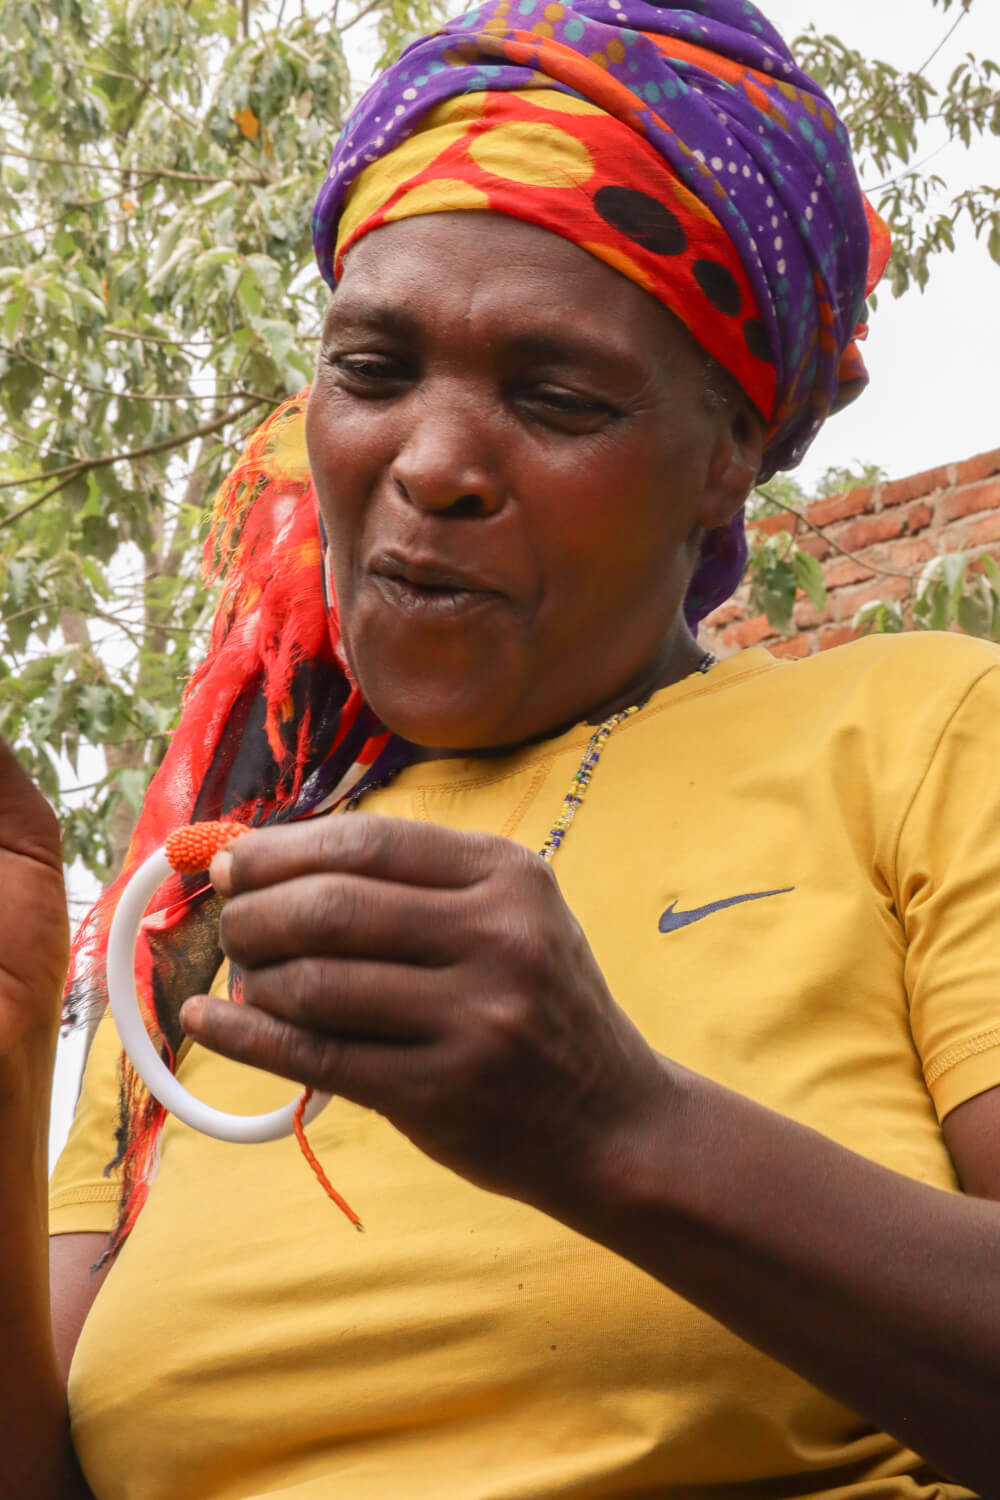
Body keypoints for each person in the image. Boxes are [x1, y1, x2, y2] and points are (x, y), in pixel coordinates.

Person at [4, 0, 999, 1495]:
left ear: (730, 444)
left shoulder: (919, 735)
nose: (435, 463)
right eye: (375, 370)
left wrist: (620, 1128)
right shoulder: (206, 910)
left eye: (554, 398)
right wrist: (15, 1040)